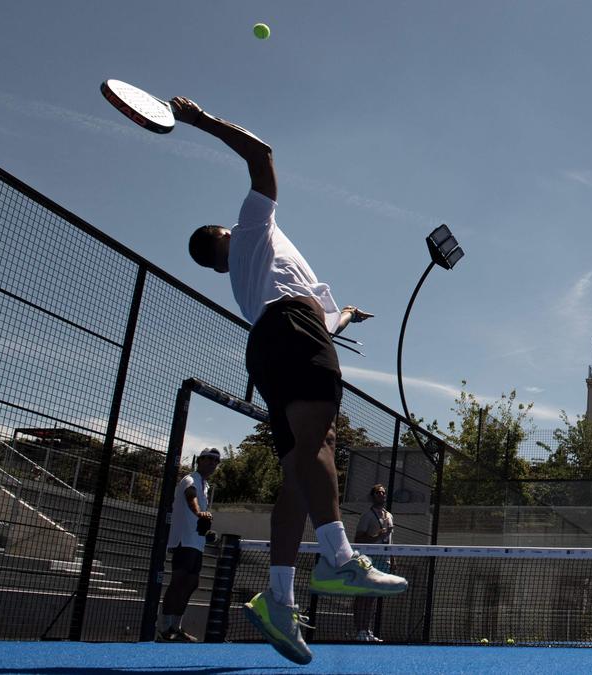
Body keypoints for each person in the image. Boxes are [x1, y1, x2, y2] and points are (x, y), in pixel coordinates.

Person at [171, 96, 407, 665]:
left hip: (280, 339)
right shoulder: (251, 231)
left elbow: (322, 319)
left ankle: (278, 598)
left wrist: (345, 315)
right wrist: (201, 121)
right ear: (223, 237)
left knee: (300, 469)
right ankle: (338, 557)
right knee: (319, 446)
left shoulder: (257, 273)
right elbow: (262, 156)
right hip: (294, 331)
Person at [157, 447, 220, 642]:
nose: (212, 463)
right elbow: (190, 496)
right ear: (199, 460)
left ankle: (177, 627)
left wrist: (206, 532)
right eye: (208, 459)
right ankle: (164, 627)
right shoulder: (190, 479)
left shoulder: (206, 485)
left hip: (197, 543)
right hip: (184, 541)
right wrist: (199, 513)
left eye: (215, 461)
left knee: (191, 583)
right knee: (179, 582)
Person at [352, 483, 396, 642]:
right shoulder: (367, 516)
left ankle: (367, 631)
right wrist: (378, 535)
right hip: (368, 561)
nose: (382, 496)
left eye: (383, 493)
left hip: (383, 561)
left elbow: (390, 540)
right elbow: (358, 539)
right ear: (373, 496)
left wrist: (392, 558)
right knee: (362, 596)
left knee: (372, 598)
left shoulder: (389, 515)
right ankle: (360, 631)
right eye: (378, 493)